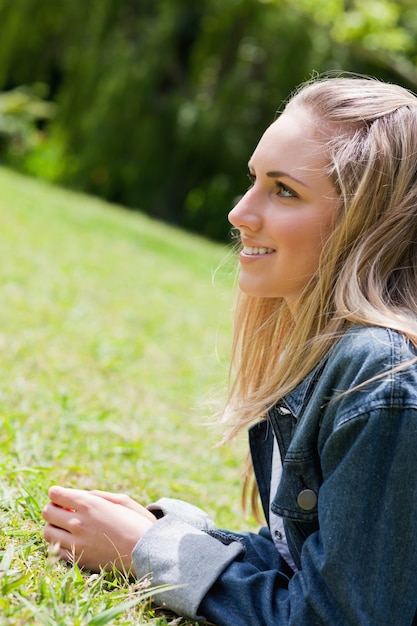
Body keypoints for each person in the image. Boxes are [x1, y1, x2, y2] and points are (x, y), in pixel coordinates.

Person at [42, 75, 417, 625]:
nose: (240, 213)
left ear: (367, 223)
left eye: (283, 190)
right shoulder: (321, 356)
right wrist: (165, 534)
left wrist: (147, 554)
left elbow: (336, 615)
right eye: (254, 180)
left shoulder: (380, 375)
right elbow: (303, 561)